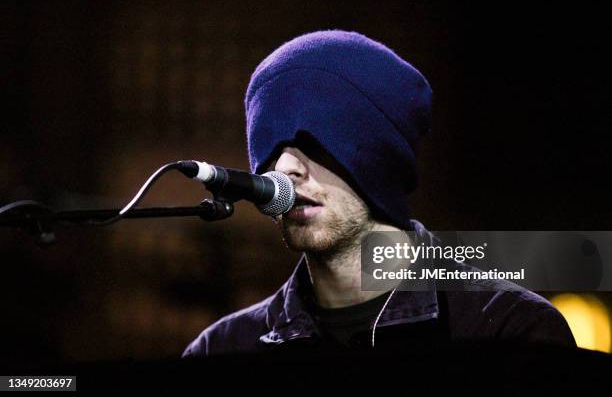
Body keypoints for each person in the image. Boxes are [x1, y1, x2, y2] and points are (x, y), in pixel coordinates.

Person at [182, 30, 575, 357]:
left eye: (314, 143)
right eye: (270, 149)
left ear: (377, 158)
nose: (285, 168)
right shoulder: (221, 349)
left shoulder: (510, 330)